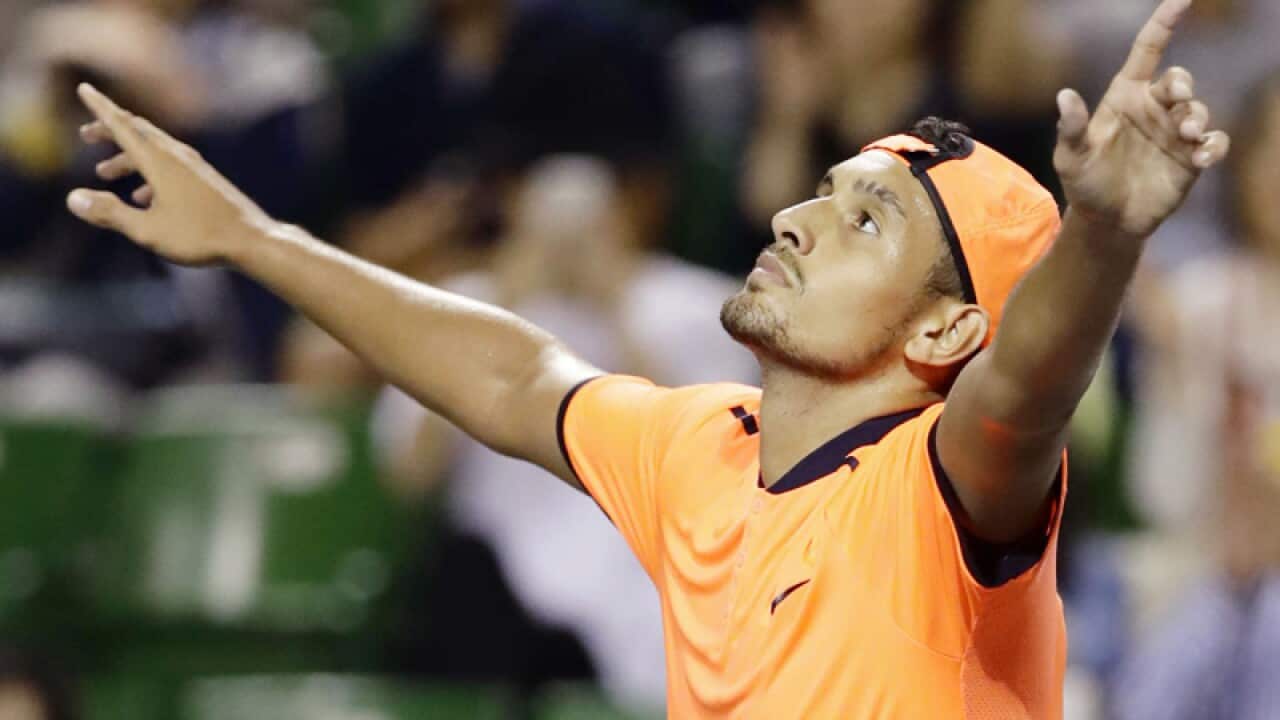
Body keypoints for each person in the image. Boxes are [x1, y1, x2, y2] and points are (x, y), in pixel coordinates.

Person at [61, 0, 1229, 715]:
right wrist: (255, 238)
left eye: (865, 222)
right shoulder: (699, 448)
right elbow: (512, 375)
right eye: (821, 194)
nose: (794, 222)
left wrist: (1102, 233)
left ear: (943, 331)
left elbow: (1026, 386)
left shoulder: (940, 488)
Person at [371, 156, 755, 711]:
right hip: (492, 589)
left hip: (639, 570)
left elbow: (711, 460)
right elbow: (410, 475)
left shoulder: (691, 303)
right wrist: (505, 302)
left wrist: (615, 307)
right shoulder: (462, 303)